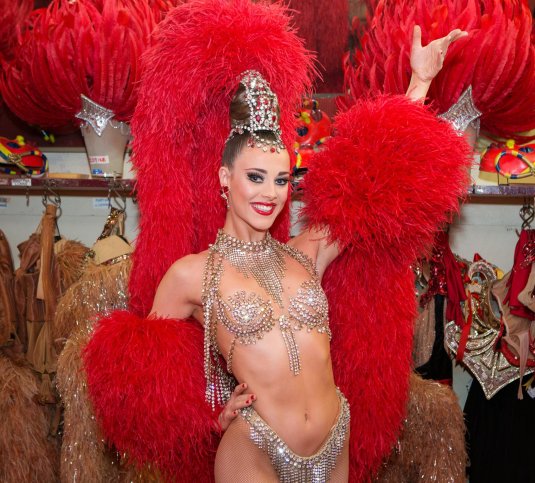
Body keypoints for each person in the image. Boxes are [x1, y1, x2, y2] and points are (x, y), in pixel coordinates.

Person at [83, 1, 471, 481]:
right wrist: (208, 421)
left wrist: (420, 83)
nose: (269, 193)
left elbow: (373, 182)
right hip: (255, 450)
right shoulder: (191, 274)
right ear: (224, 178)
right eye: (255, 177)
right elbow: (147, 382)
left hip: (335, 439)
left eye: (281, 179)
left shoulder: (305, 254)